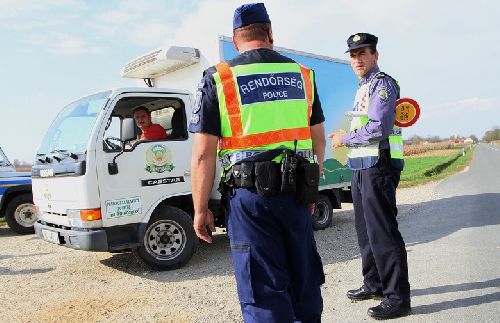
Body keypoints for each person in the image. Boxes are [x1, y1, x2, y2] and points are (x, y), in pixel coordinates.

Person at [189, 3, 326, 322]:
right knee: (303, 283)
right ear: (270, 34)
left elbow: (203, 153)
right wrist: (310, 191)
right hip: (297, 194)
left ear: (236, 40)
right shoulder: (302, 75)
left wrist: (200, 209)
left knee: (263, 292)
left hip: (250, 200)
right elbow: (318, 139)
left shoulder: (219, 77)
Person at [329, 33, 410, 319]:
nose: (357, 59)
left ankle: (397, 298)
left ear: (375, 55)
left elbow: (378, 127)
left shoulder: (382, 84)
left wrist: (345, 137)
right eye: (353, 54)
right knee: (365, 232)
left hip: (378, 167)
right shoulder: (363, 88)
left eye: (363, 53)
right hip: (361, 166)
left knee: (383, 233)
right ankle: (374, 283)